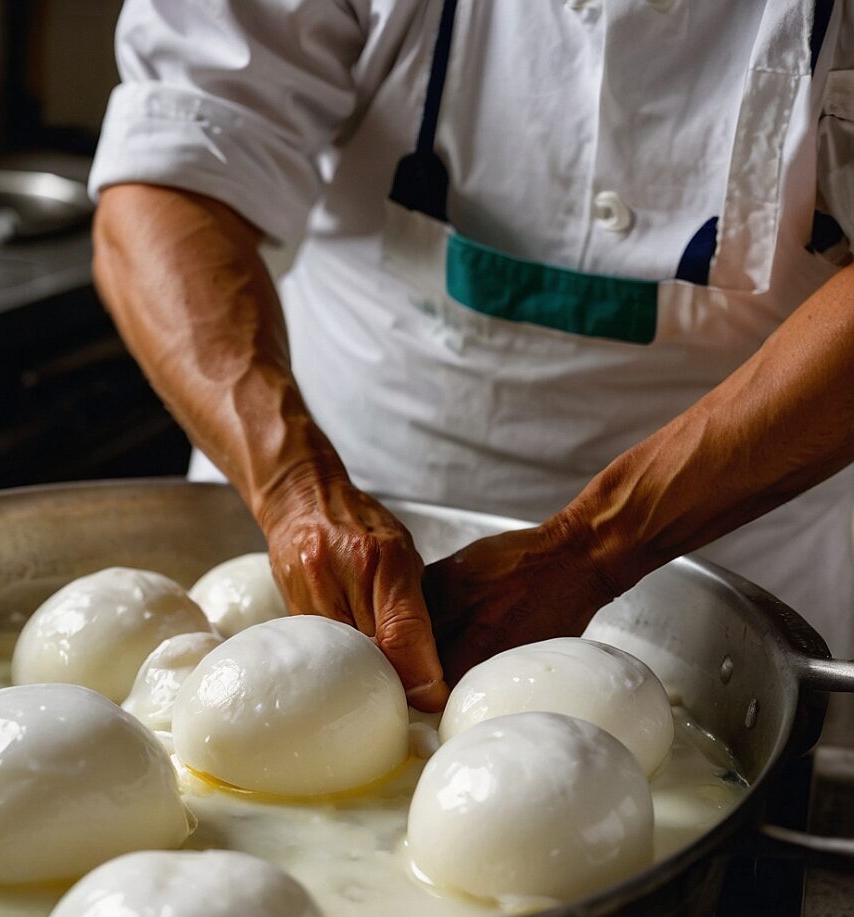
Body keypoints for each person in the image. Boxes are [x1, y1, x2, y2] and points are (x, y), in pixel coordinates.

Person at [89, 0, 854, 710]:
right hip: (323, 515)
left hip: (732, 553)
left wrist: (595, 547)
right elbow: (170, 176)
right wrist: (295, 488)